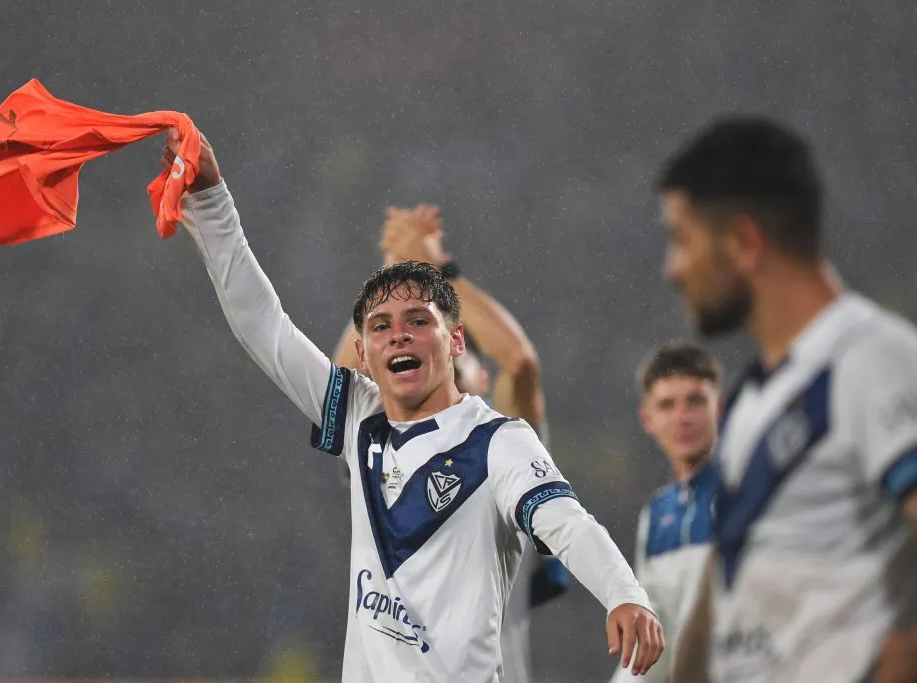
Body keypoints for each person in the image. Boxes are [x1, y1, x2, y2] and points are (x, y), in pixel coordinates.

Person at [163, 131, 663, 683]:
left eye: (418, 321)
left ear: (454, 342)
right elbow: (264, 325)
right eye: (381, 328)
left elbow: (567, 522)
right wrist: (211, 203)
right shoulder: (360, 416)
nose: (398, 336)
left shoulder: (499, 441)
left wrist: (624, 594)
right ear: (363, 353)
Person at [658, 116, 917, 683]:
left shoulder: (870, 359)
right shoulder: (755, 398)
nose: (672, 269)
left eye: (682, 240)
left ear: (744, 243)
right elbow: (723, 582)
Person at [331, 204, 569, 683]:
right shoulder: (380, 451)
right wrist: (398, 277)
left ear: (463, 350)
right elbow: (344, 378)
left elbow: (519, 362)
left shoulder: (505, 452)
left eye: (428, 330)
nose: (416, 347)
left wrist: (436, 271)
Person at [609, 343, 722, 683]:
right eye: (667, 405)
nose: (682, 417)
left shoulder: (750, 494)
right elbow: (655, 637)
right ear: (648, 419)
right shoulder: (656, 514)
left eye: (695, 401)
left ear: (721, 407)